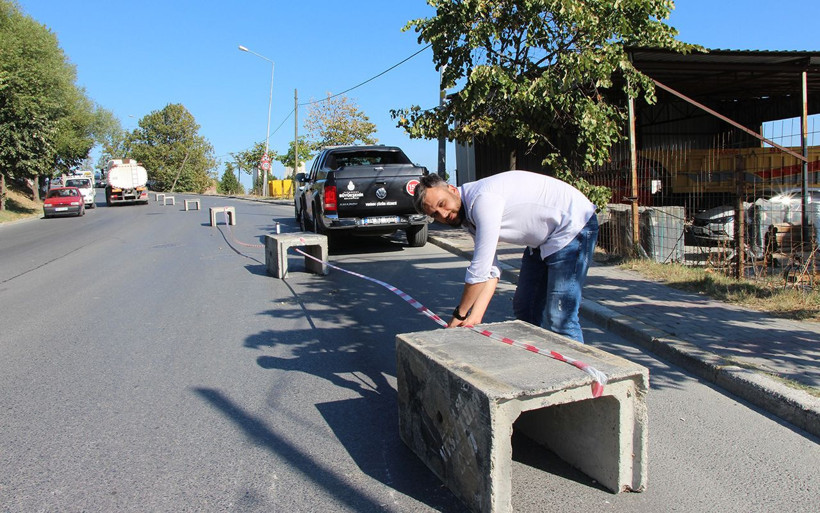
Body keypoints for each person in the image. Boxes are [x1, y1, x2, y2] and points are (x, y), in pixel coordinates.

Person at [414, 170, 599, 343]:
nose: (444, 214)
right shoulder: (466, 216)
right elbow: (491, 270)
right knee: (526, 307)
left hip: (573, 226)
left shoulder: (482, 201)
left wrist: (460, 314)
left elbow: (479, 270)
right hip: (543, 242)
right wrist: (475, 317)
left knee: (560, 316)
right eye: (435, 214)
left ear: (452, 189)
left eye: (442, 204)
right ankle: (545, 366)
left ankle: (585, 376)